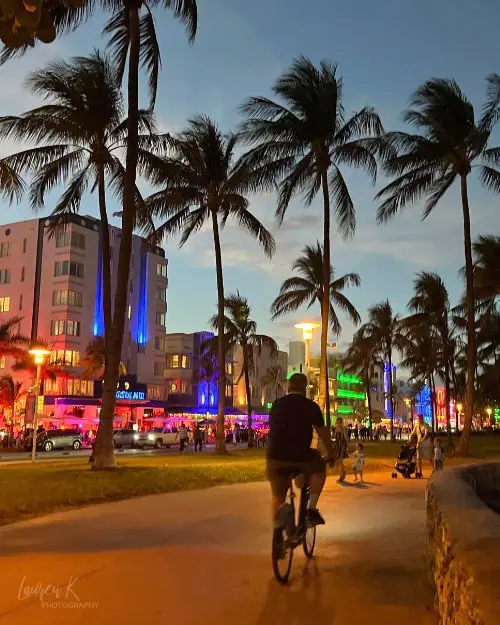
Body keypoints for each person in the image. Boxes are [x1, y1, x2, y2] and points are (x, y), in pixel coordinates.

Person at [266, 373, 335, 529]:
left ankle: (278, 528)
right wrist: (331, 454)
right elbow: (323, 434)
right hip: (302, 456)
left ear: (288, 387)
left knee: (278, 494)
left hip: (275, 457)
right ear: (305, 388)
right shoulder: (311, 406)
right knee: (319, 468)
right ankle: (311, 509)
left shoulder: (276, 405)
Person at [332, 417, 349, 482]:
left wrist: (347, 446)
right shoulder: (335, 429)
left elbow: (346, 438)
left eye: (340, 422)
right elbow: (334, 438)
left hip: (342, 446)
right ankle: (343, 472)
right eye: (337, 422)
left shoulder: (343, 428)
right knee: (338, 461)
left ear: (341, 422)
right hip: (337, 446)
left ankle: (342, 475)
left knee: (340, 461)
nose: (338, 423)